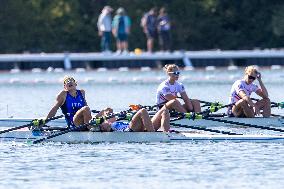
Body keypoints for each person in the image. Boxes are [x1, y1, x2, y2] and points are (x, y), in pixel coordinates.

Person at [94, 106, 170, 132]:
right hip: (130, 130)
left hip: (138, 127)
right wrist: (101, 118)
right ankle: (153, 135)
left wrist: (106, 113)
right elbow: (94, 122)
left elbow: (108, 109)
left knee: (164, 111)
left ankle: (166, 133)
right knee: (142, 111)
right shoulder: (102, 125)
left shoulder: (110, 119)